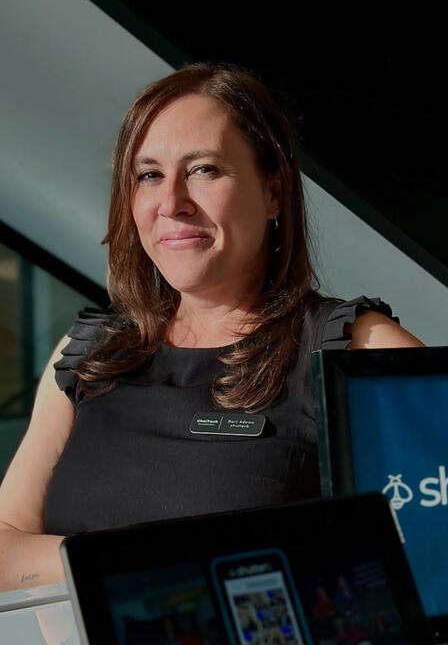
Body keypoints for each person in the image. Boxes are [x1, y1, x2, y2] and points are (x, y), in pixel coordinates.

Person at [0, 63, 422, 592]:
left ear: (273, 193)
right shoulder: (90, 352)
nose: (171, 203)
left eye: (203, 169)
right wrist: (141, 559)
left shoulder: (353, 349)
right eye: (149, 175)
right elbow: (4, 546)